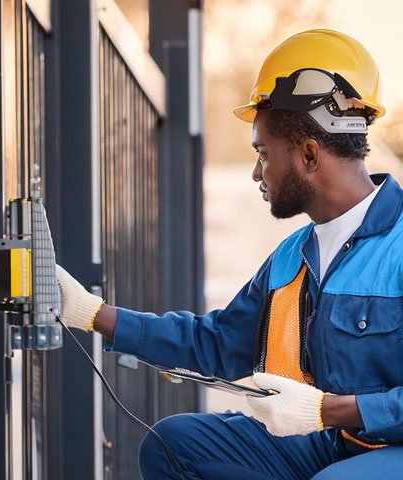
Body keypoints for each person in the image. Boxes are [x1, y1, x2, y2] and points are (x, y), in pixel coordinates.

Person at [56, 30, 403, 479]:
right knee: (174, 445)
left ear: (310, 155)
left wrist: (327, 411)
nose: (258, 172)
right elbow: (214, 342)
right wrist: (91, 313)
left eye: (263, 153)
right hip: (333, 446)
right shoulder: (292, 259)